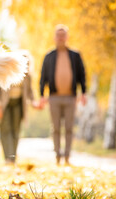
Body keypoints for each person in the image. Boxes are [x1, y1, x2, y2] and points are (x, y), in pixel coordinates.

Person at [39, 24, 87, 165]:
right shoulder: (49, 56)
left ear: (67, 37)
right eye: (58, 35)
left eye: (63, 35)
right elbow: (43, 77)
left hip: (71, 97)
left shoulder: (75, 55)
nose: (60, 38)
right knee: (56, 128)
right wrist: (42, 95)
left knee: (69, 128)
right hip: (54, 97)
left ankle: (67, 157)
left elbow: (82, 75)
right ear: (55, 37)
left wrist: (83, 92)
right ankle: (57, 157)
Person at [0, 52, 39, 164]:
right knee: (5, 129)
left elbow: (30, 91)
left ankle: (12, 158)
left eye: (27, 63)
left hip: (18, 103)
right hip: (4, 104)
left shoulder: (28, 76)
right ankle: (7, 158)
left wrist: (34, 102)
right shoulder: (7, 72)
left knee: (15, 130)